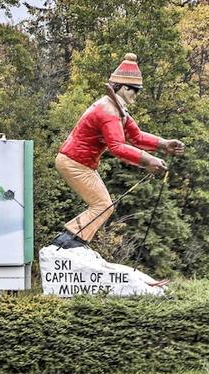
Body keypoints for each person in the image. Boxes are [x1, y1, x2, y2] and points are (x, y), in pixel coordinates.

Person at [53, 53, 184, 249]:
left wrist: (163, 144)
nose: (136, 96)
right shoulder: (108, 111)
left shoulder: (116, 109)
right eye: (134, 91)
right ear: (123, 88)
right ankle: (68, 243)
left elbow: (137, 136)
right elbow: (117, 147)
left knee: (104, 205)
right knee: (102, 205)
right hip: (74, 163)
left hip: (82, 164)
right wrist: (148, 160)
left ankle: (73, 241)